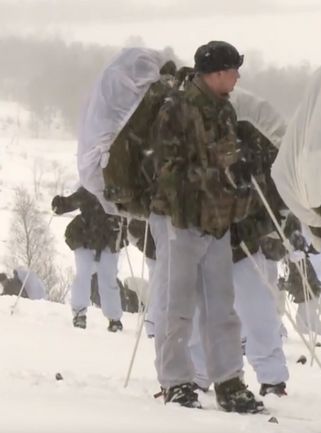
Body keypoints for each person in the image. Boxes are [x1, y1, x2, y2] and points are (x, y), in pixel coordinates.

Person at [147, 40, 261, 413]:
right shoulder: (176, 110)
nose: (237, 76)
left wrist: (240, 171)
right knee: (177, 306)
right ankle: (176, 381)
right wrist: (220, 172)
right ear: (214, 73)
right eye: (233, 70)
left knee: (222, 307)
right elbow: (167, 172)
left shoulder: (224, 111)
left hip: (217, 221)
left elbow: (224, 159)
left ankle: (228, 380)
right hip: (180, 220)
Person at [51, 186, 125, 331]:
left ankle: (114, 318)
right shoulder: (90, 188)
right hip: (84, 236)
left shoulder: (117, 188)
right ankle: (79, 314)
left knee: (108, 278)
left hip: (108, 237)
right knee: (83, 274)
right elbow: (72, 202)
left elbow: (129, 208)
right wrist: (60, 204)